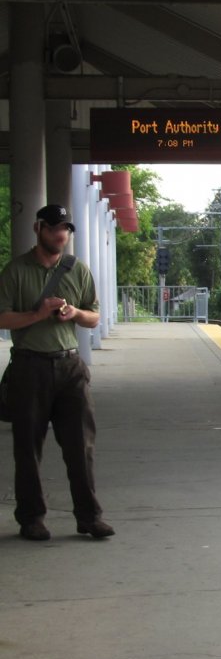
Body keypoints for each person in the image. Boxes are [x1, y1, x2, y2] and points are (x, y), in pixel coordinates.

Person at [0, 204, 112, 541]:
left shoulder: (77, 270)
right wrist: (37, 314)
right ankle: (31, 518)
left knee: (81, 446)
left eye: (65, 228)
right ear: (38, 229)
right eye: (53, 228)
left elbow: (94, 316)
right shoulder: (16, 270)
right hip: (29, 366)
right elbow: (2, 318)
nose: (60, 234)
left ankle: (89, 517)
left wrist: (75, 312)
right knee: (28, 448)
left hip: (70, 367)